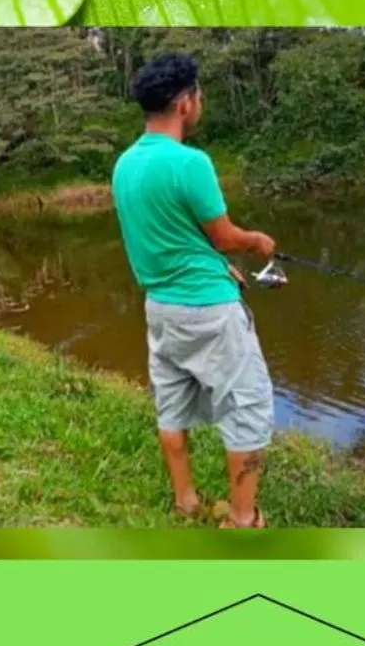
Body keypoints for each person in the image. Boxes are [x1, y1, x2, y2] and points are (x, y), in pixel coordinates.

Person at [111, 53, 279, 529]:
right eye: (199, 95)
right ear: (185, 103)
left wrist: (219, 264)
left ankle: (186, 500)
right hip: (209, 310)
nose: (199, 102)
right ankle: (243, 519)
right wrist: (256, 242)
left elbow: (173, 238)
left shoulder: (125, 165)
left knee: (171, 401)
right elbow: (225, 235)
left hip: (160, 308)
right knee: (246, 407)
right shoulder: (191, 163)